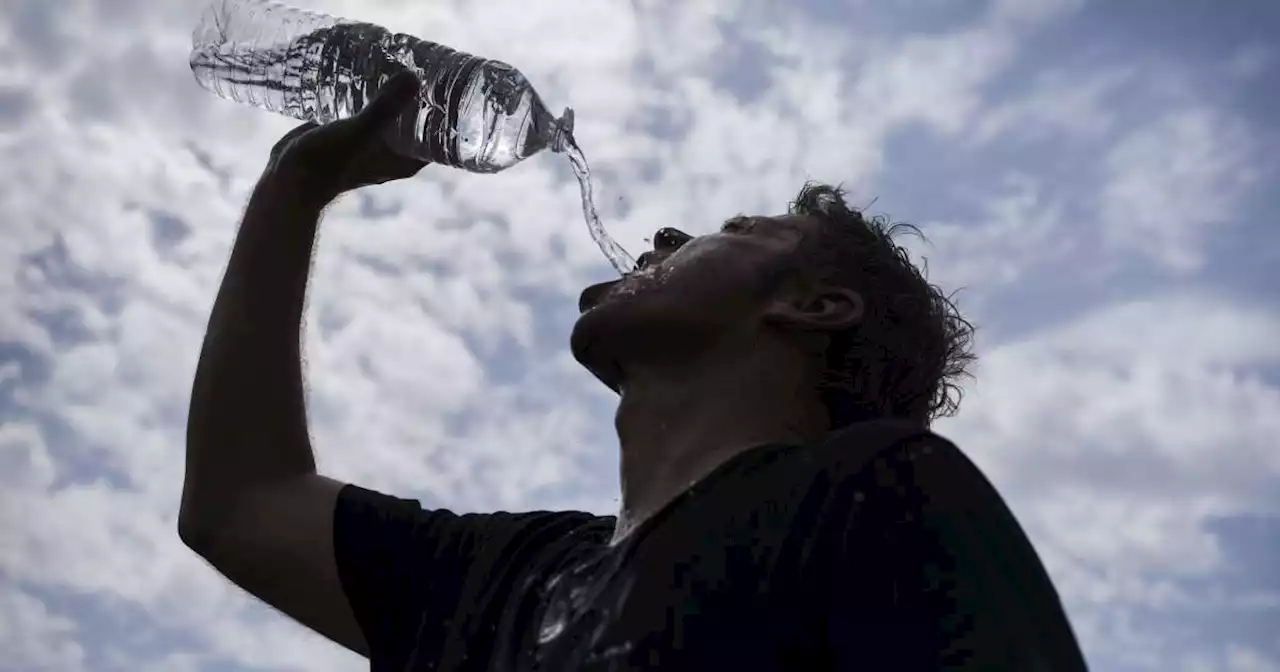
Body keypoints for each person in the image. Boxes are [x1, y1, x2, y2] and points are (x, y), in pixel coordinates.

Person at [179, 71, 1089, 671]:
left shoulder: (874, 498)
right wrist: (295, 189)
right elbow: (241, 503)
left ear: (814, 308)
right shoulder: (507, 576)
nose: (662, 237)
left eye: (734, 230)